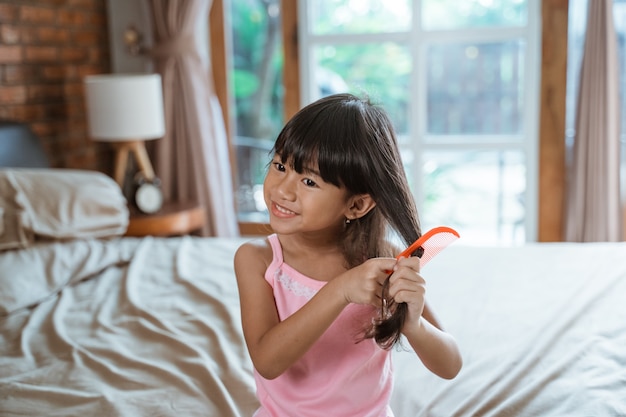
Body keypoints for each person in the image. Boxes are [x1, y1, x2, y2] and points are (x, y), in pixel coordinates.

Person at [234, 93, 462, 417]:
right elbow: (268, 362)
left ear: (356, 204)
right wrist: (341, 289)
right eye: (280, 165)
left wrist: (412, 323)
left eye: (309, 180)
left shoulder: (383, 260)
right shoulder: (258, 260)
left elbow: (450, 364)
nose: (283, 189)